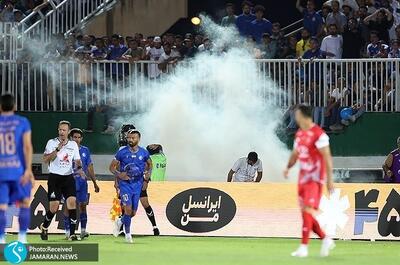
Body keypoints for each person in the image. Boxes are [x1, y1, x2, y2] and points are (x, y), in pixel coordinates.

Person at [284, 104, 335, 258]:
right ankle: (326, 238)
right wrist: (287, 167)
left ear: (303, 115)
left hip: (315, 179)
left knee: (307, 210)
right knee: (306, 215)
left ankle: (303, 248)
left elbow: (327, 158)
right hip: (302, 179)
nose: (295, 118)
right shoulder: (299, 134)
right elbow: (295, 154)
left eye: (297, 115)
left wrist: (329, 181)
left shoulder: (319, 135)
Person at [40, 120, 85, 241]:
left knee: (72, 203)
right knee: (54, 208)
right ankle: (44, 226)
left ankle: (72, 234)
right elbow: (45, 159)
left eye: (64, 130)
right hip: (55, 178)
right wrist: (57, 150)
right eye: (60, 130)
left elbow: (77, 160)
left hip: (68, 177)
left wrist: (80, 169)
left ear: (68, 132)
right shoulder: (51, 142)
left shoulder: (73, 145)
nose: (61, 132)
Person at [0, 94, 34, 243]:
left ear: (0, 107)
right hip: (18, 170)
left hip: (1, 172)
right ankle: (21, 238)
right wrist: (28, 170)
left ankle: (1, 239)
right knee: (25, 202)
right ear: (14, 106)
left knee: (1, 207)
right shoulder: (22, 121)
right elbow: (27, 146)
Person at [109, 129, 152, 243]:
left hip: (137, 184)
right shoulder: (121, 152)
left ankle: (120, 221)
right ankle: (128, 234)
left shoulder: (144, 152)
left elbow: (150, 164)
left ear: (138, 139)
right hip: (125, 185)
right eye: (129, 138)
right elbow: (111, 167)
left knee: (133, 212)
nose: (130, 140)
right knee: (127, 209)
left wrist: (147, 176)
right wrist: (119, 175)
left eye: (133, 138)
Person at [117, 125, 160, 236]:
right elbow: (118, 168)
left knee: (145, 204)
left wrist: (146, 180)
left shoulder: (141, 151)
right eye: (126, 135)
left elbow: (148, 165)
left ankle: (154, 226)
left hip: (138, 182)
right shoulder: (122, 150)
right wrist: (116, 183)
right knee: (126, 206)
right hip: (126, 183)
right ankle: (123, 229)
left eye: (128, 135)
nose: (127, 137)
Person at [63, 128, 100, 239]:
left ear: (81, 138)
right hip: (69, 182)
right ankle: (68, 231)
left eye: (79, 137)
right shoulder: (65, 150)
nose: (77, 139)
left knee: (83, 206)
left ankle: (83, 230)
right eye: (75, 137)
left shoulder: (85, 150)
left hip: (82, 183)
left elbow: (89, 167)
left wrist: (94, 182)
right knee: (67, 206)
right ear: (70, 138)